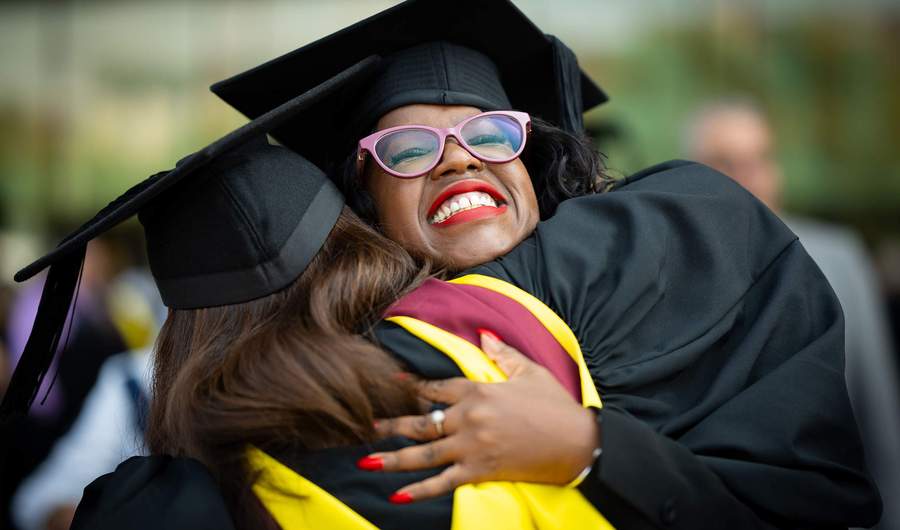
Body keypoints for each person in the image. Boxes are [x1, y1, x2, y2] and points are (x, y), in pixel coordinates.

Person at [211, 0, 879, 527]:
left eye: (492, 135)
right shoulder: (346, 373)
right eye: (409, 148)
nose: (459, 157)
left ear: (534, 167)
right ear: (365, 199)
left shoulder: (667, 298)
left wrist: (589, 448)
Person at [686, 98, 900, 530]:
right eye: (726, 161)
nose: (748, 177)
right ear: (692, 171)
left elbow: (875, 409)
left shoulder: (840, 257)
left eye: (760, 158)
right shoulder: (676, 270)